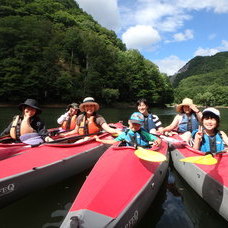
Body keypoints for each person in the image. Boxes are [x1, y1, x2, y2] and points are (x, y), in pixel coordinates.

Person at [95, 112, 161, 148]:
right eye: (134, 123)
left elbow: (157, 139)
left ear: (141, 125)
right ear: (129, 122)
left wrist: (157, 142)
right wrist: (100, 140)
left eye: (138, 124)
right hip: (130, 154)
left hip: (145, 152)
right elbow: (113, 141)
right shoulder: (125, 134)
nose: (135, 126)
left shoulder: (144, 133)